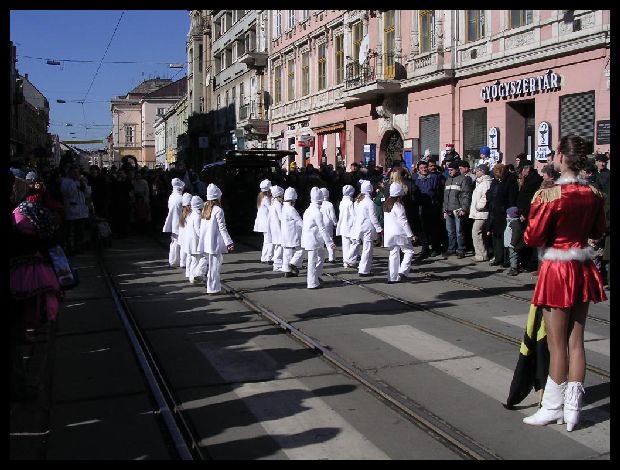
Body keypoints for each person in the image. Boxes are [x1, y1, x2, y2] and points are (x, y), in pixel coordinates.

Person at [522, 135, 607, 432]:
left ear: (560, 156)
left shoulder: (548, 195)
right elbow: (598, 230)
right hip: (582, 266)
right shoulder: (594, 193)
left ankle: (551, 408)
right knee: (576, 341)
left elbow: (532, 237)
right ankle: (573, 410)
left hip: (557, 269)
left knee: (556, 343)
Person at [198, 183, 234, 295]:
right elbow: (222, 228)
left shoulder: (205, 207)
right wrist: (229, 242)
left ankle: (211, 284)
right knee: (214, 266)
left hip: (206, 242)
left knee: (213, 264)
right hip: (214, 243)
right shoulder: (218, 210)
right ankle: (213, 288)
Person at [301, 187, 336, 289]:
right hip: (313, 240)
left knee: (320, 257)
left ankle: (315, 277)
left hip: (310, 239)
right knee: (312, 261)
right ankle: (312, 282)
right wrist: (330, 243)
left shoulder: (308, 210)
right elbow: (322, 229)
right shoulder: (317, 212)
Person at [383, 182, 416, 283]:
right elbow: (403, 222)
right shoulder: (398, 206)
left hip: (389, 234)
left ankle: (392, 277)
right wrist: (411, 234)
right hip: (400, 233)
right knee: (409, 251)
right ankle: (403, 272)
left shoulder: (387, 204)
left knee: (393, 254)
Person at [442, 161, 473, 258]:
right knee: (450, 231)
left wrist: (464, 209)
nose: (449, 172)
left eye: (451, 170)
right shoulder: (448, 180)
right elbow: (445, 197)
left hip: (458, 210)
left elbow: (466, 195)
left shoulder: (463, 179)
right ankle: (451, 249)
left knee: (459, 231)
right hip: (448, 210)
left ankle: (461, 249)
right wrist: (444, 210)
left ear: (456, 170)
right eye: (448, 170)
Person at [352, 180, 383, 276]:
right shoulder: (369, 202)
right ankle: (364, 270)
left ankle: (359, 265)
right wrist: (379, 229)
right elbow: (373, 217)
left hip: (359, 227)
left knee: (363, 248)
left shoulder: (357, 201)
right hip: (368, 228)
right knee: (367, 249)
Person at [469, 164, 493, 262]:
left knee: (476, 232)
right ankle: (483, 253)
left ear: (482, 172)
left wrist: (479, 206)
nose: (475, 172)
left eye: (477, 170)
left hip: (482, 213)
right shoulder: (480, 182)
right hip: (479, 213)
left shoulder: (486, 183)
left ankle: (481, 255)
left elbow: (486, 197)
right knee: (481, 234)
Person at [280, 187, 304, 278]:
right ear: (293, 199)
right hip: (292, 234)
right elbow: (299, 221)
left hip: (284, 234)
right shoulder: (291, 209)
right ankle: (293, 263)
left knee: (287, 253)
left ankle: (287, 270)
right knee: (300, 250)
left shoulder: (283, 208)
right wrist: (307, 229)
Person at [162, 177, 185, 268]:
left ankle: (173, 260)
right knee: (181, 242)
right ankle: (180, 261)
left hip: (174, 221)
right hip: (180, 222)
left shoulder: (172, 196)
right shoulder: (180, 198)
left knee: (174, 241)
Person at [336, 184, 358, 268]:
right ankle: (349, 259)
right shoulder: (350, 203)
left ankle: (345, 262)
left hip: (342, 225)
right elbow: (353, 215)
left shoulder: (342, 202)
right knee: (354, 243)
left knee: (345, 245)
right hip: (350, 225)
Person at [186, 195, 208, 284]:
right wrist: (204, 239)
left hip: (191, 242)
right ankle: (196, 275)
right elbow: (198, 229)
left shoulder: (192, 214)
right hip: (196, 241)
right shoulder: (197, 216)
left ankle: (192, 276)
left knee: (194, 260)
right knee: (201, 258)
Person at [253, 179, 273, 264]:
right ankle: (269, 257)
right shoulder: (265, 198)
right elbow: (271, 208)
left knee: (266, 240)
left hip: (263, 222)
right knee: (269, 240)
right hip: (266, 222)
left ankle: (264, 257)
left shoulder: (261, 196)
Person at [268, 185, 284, 271]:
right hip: (278, 228)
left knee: (278, 246)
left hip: (274, 228)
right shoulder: (277, 204)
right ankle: (277, 265)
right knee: (280, 246)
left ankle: (277, 262)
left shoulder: (273, 202)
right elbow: (281, 217)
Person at [320, 187, 338, 263]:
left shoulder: (319, 204)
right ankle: (331, 257)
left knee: (321, 241)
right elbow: (333, 216)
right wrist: (335, 223)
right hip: (328, 224)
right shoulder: (330, 204)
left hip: (320, 224)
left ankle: (320, 257)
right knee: (330, 240)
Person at [504, 206, 524, 276]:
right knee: (515, 255)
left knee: (513, 256)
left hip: (513, 243)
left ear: (512, 215)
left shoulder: (514, 222)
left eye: (508, 213)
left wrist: (513, 243)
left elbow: (516, 234)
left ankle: (514, 268)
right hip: (511, 243)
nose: (507, 215)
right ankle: (518, 266)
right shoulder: (512, 221)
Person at [177, 192, 193, 270]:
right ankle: (185, 263)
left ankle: (182, 262)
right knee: (187, 249)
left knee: (182, 249)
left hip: (182, 236)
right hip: (187, 236)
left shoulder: (182, 213)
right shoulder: (190, 214)